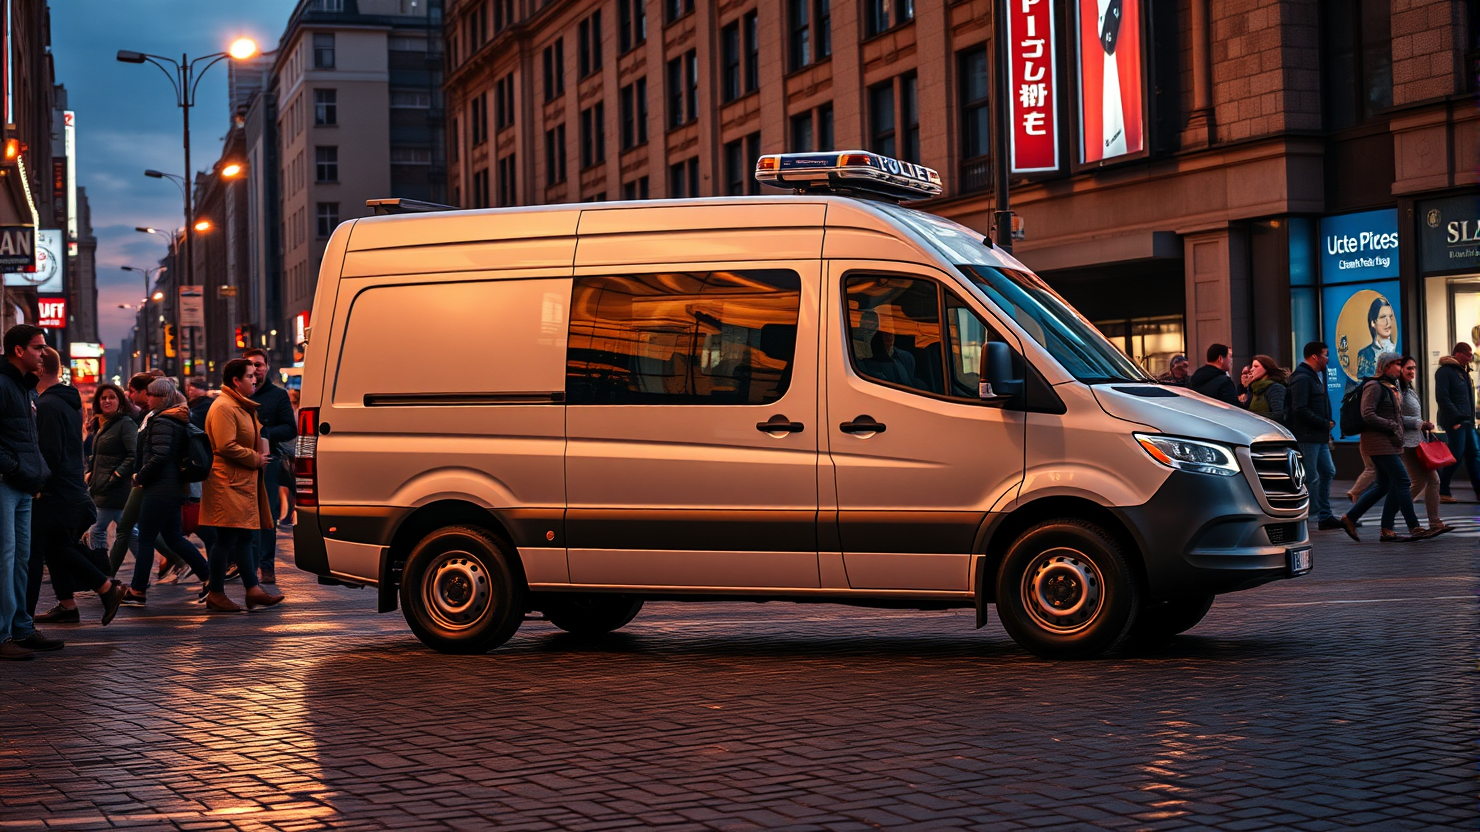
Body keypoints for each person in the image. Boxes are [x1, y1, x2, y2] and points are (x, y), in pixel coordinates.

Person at [29, 347, 123, 626]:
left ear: (38, 369)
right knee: (56, 544)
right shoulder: (69, 400)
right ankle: (68, 605)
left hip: (54, 489)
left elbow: (49, 453)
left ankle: (106, 588)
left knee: (50, 546)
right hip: (69, 486)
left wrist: (37, 482)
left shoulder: (47, 405)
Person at [120, 379, 211, 607]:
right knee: (173, 537)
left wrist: (139, 477)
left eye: (151, 395)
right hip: (173, 487)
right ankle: (210, 577)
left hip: (161, 488)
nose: (147, 398)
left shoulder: (163, 420)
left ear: (161, 397)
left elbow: (160, 456)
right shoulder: (173, 418)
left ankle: (138, 590)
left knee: (146, 538)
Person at [202, 358, 283, 612]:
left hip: (241, 480)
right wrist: (255, 458)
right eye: (249, 376)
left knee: (245, 536)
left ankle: (253, 589)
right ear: (236, 380)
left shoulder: (240, 405)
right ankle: (215, 593)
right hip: (228, 480)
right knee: (226, 538)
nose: (255, 379)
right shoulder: (225, 407)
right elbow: (226, 445)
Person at [0, 325, 53, 659]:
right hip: (7, 483)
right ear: (19, 350)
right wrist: (14, 468)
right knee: (5, 559)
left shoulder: (25, 387)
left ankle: (20, 627)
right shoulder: (4, 384)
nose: (43, 353)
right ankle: (3, 636)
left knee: (21, 559)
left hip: (23, 484)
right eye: (38, 347)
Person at [1337, 352, 1427, 543]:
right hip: (1379, 443)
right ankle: (1414, 526)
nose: (1400, 368)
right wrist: (1392, 426)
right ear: (1385, 366)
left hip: (1390, 443)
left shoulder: (1389, 386)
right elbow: (1367, 414)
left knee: (1384, 485)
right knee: (1403, 481)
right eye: (1396, 364)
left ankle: (1362, 522)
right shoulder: (1374, 386)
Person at [245, 348, 297, 584]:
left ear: (266, 366)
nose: (255, 370)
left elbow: (290, 428)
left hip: (268, 462)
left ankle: (266, 566)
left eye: (259, 364)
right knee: (244, 514)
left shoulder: (278, 395)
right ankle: (246, 563)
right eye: (250, 365)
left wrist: (264, 433)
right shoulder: (237, 394)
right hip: (241, 462)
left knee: (268, 515)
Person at [1398, 356, 1451, 538]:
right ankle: (1434, 522)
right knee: (1433, 480)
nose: (1412, 372)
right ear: (1400, 369)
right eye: (1408, 368)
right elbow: (1395, 416)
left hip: (1415, 441)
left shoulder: (1408, 388)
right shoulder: (1398, 389)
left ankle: (1395, 509)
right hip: (1407, 443)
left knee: (1420, 482)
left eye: (1414, 368)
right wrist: (1419, 423)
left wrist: (1421, 424)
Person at [1288, 342, 1340, 530]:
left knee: (1327, 471)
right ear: (1314, 357)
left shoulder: (1314, 376)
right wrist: (1323, 423)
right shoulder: (1303, 378)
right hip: (1307, 436)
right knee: (1310, 476)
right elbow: (1299, 409)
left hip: (1318, 436)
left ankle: (1324, 515)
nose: (1328, 359)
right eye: (1325, 355)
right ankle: (1311, 514)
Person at [85, 384, 137, 556]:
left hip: (115, 487)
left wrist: (116, 475)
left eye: (112, 397)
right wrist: (89, 471)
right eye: (103, 398)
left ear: (120, 400)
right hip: (101, 486)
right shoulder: (101, 424)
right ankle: (105, 569)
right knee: (125, 530)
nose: (107, 401)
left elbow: (133, 454)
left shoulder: (125, 423)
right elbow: (97, 454)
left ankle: (104, 569)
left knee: (100, 529)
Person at [1435, 342, 1480, 504]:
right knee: (1456, 455)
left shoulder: (1463, 372)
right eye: (1468, 355)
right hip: (1456, 422)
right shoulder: (1445, 372)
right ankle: (1442, 490)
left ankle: (1478, 491)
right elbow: (1442, 398)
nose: (1470, 358)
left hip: (1467, 421)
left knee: (1474, 455)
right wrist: (1454, 419)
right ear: (1458, 354)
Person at [1355, 297, 1397, 383]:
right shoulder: (1364, 354)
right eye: (1383, 317)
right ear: (1373, 322)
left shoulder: (1397, 351)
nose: (1388, 322)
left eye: (1390, 317)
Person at [1244, 355, 1289, 422]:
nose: (1251, 369)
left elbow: (1278, 415)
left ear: (1266, 368)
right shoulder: (1253, 387)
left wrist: (1253, 416)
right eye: (1252, 366)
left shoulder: (1275, 388)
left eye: (1256, 366)